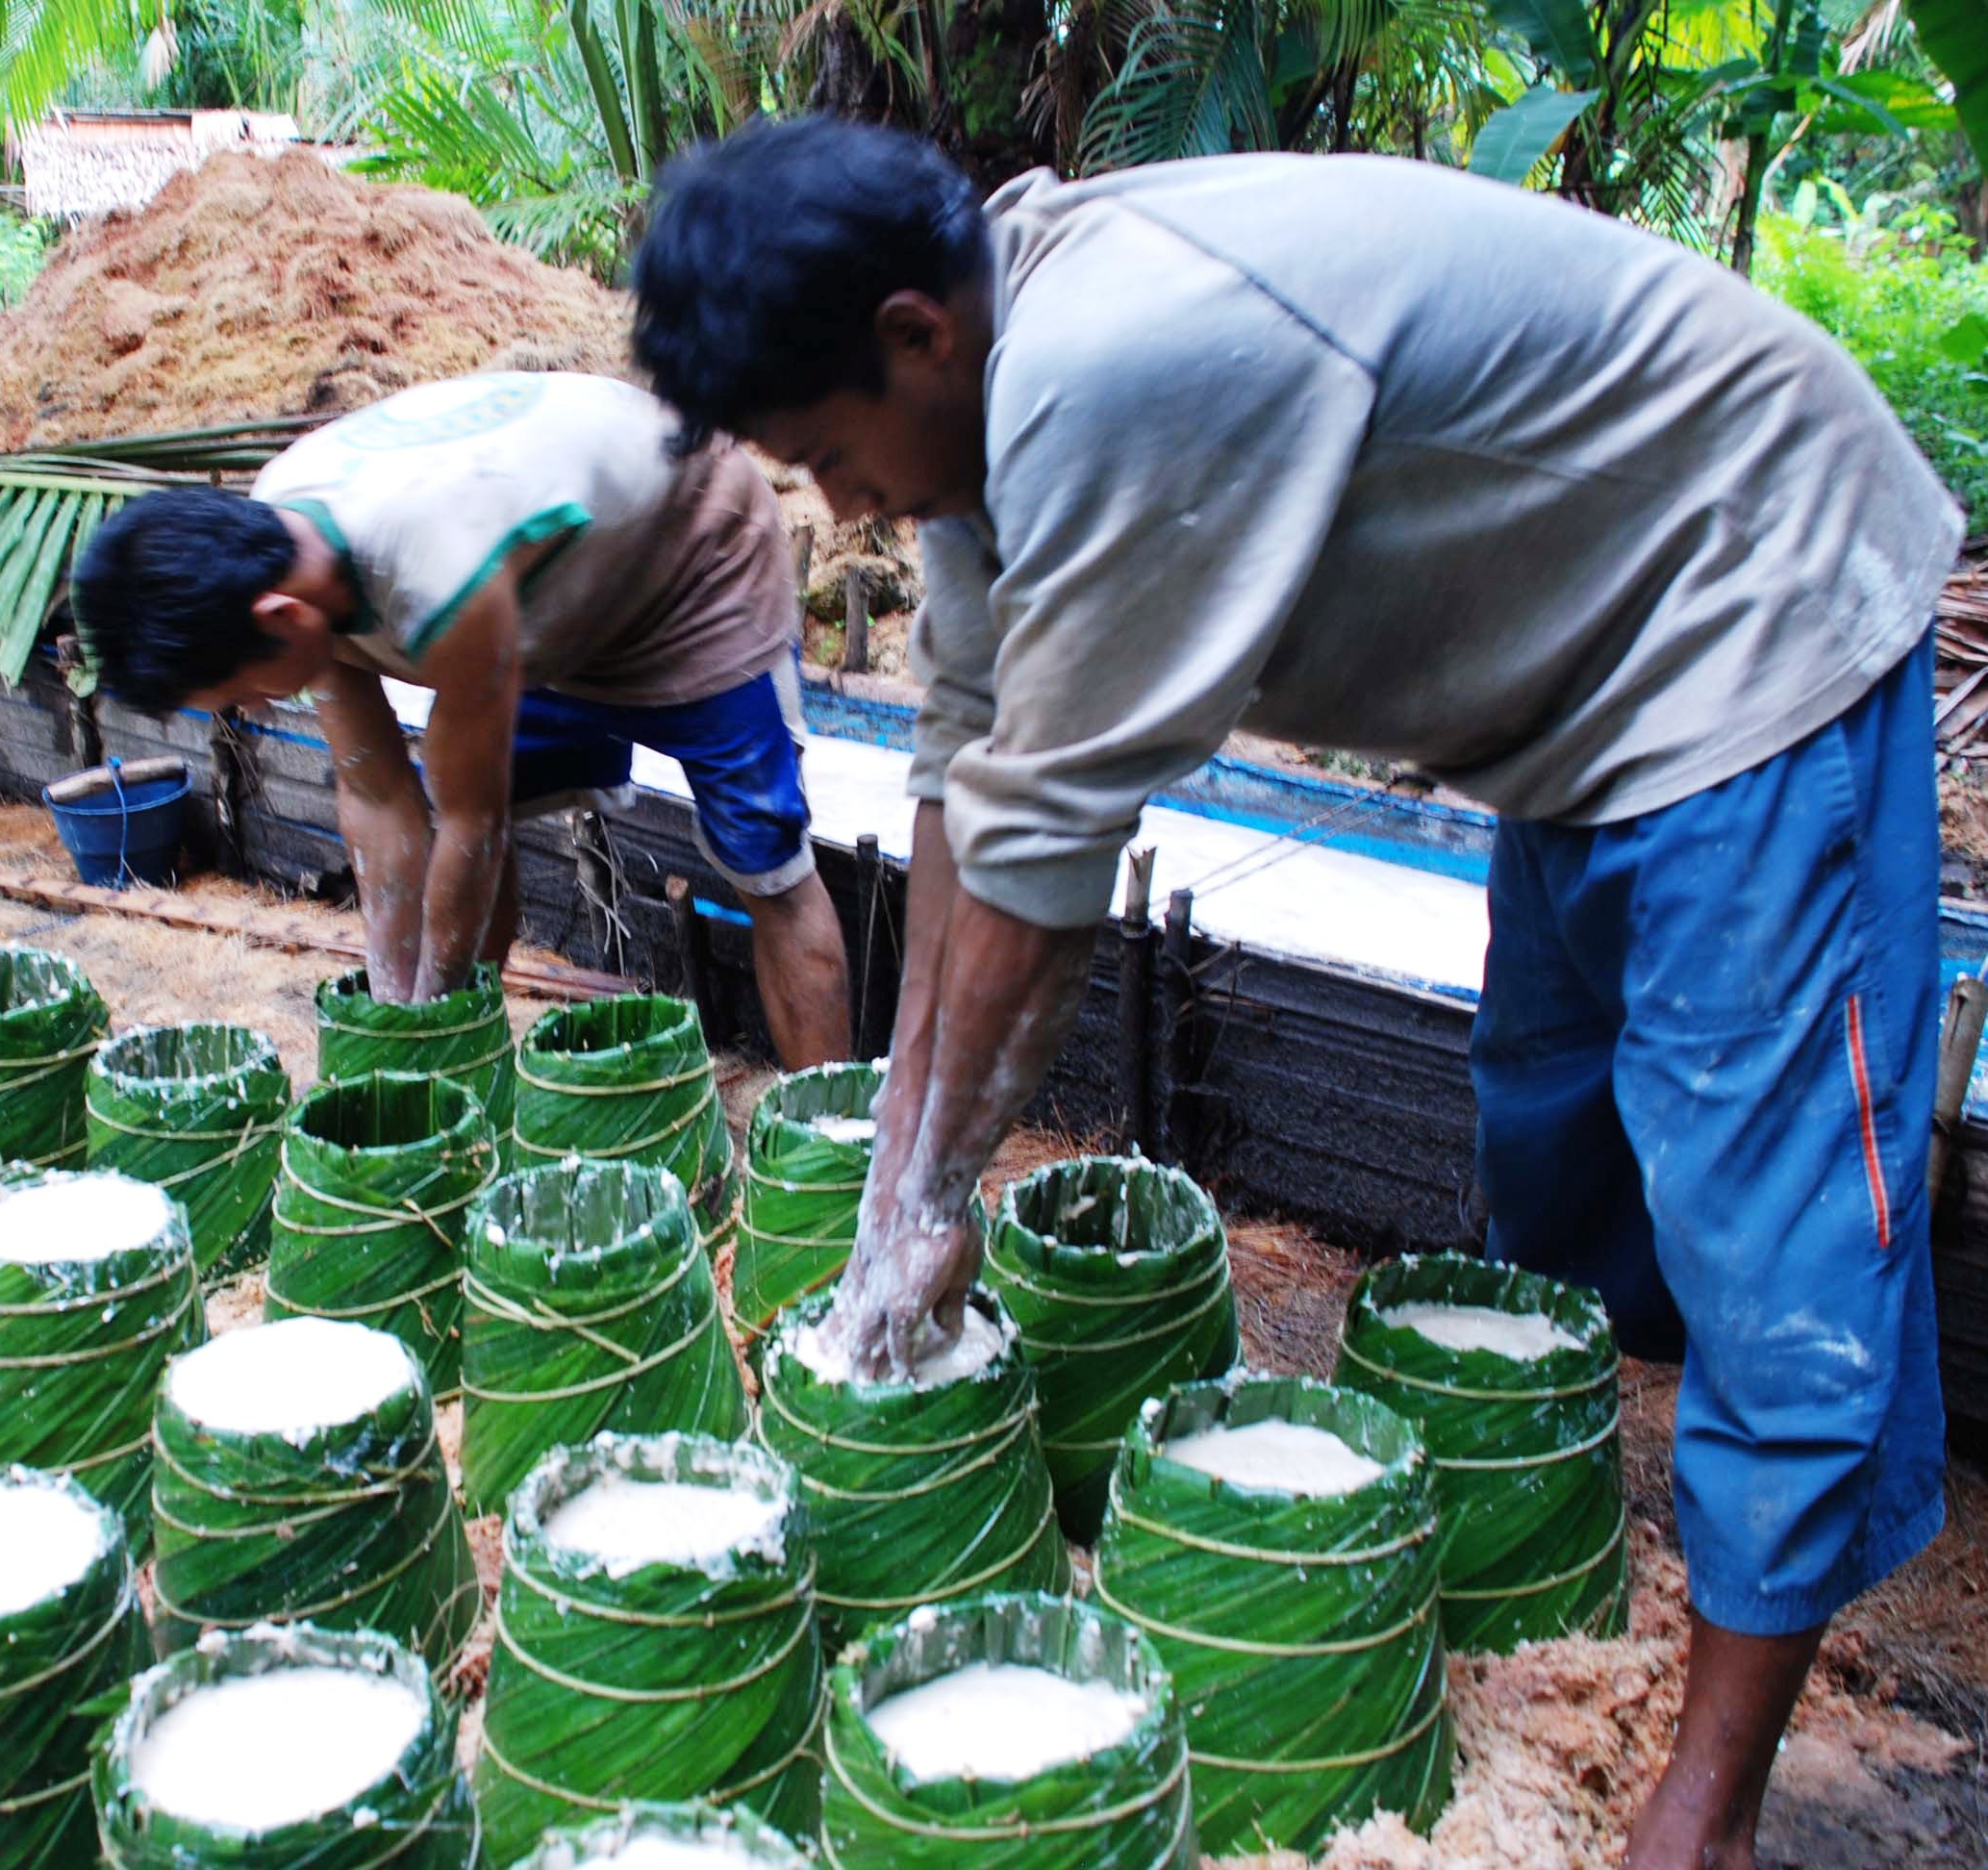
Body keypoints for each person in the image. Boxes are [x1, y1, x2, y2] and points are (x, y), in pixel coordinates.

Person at [630, 117, 1959, 1870]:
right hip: (1572, 693)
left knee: (1766, 1226)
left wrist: (937, 1200)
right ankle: (1616, 1541)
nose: (843, 508)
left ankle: (1708, 1793)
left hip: (1743, 607)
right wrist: (897, 1177)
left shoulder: (1114, 367)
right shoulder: (982, 399)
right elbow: (966, 773)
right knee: (1558, 1150)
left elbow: (1047, 872)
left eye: (827, 454)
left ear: (911, 333)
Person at [70, 369, 851, 1067]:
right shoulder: (281, 556)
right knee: (477, 821)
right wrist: (392, 1012)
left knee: (766, 863)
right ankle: (470, 1085)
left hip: (690, 557)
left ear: (279, 618)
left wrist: (424, 1023)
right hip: (546, 583)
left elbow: (469, 829)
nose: (255, 710)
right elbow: (378, 799)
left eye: (243, 693)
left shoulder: (435, 574)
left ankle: (826, 1152)